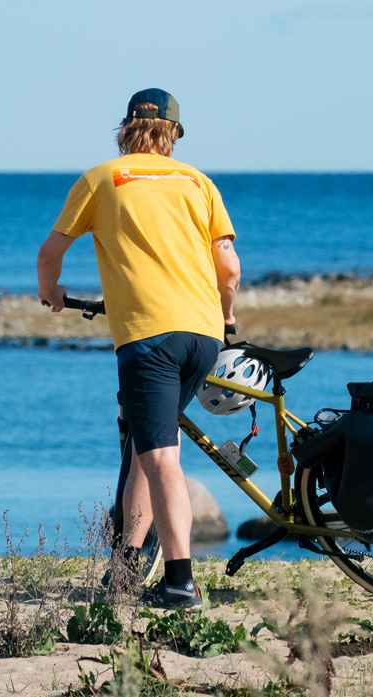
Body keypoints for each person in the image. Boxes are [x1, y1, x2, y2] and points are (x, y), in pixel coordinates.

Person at [36, 88, 241, 609]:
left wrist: (51, 293)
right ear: (173, 133)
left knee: (161, 458)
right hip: (203, 335)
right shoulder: (198, 182)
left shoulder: (102, 178)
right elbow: (230, 268)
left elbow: (51, 252)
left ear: (125, 128)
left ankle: (180, 582)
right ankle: (125, 571)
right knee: (143, 448)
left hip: (149, 338)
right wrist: (227, 316)